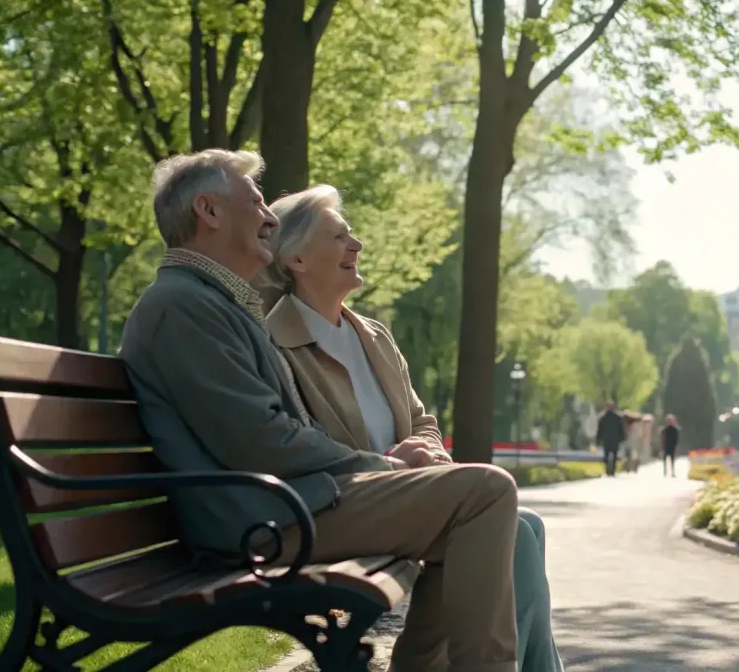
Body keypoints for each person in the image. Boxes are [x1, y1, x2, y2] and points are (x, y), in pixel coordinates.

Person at [119, 150, 519, 672]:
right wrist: (386, 467)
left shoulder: (213, 303)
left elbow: (275, 435)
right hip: (259, 521)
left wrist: (388, 468)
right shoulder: (184, 307)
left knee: (468, 514)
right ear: (209, 211)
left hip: (282, 505)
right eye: (256, 202)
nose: (269, 218)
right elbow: (261, 442)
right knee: (485, 492)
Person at [256, 184, 563, 672]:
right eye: (339, 236)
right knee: (515, 535)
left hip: (406, 495)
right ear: (296, 259)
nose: (356, 244)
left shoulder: (374, 335)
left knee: (528, 525)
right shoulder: (274, 342)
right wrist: (395, 463)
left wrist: (428, 449)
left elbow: (421, 420)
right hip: (347, 502)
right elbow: (301, 445)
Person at [596, 402, 625, 477]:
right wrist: (622, 438)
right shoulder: (618, 417)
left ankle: (607, 470)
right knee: (614, 455)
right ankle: (613, 471)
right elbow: (621, 429)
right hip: (615, 439)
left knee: (606, 455)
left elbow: (600, 429)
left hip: (606, 440)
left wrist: (598, 439)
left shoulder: (603, 417)